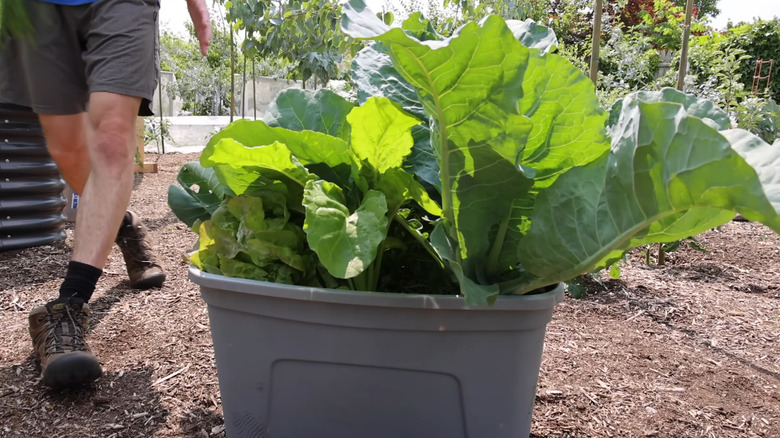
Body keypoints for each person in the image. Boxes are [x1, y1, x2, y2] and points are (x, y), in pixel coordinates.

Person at [0, 0, 211, 387]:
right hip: (37, 9)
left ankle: (68, 306)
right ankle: (124, 226)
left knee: (113, 137)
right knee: (67, 149)